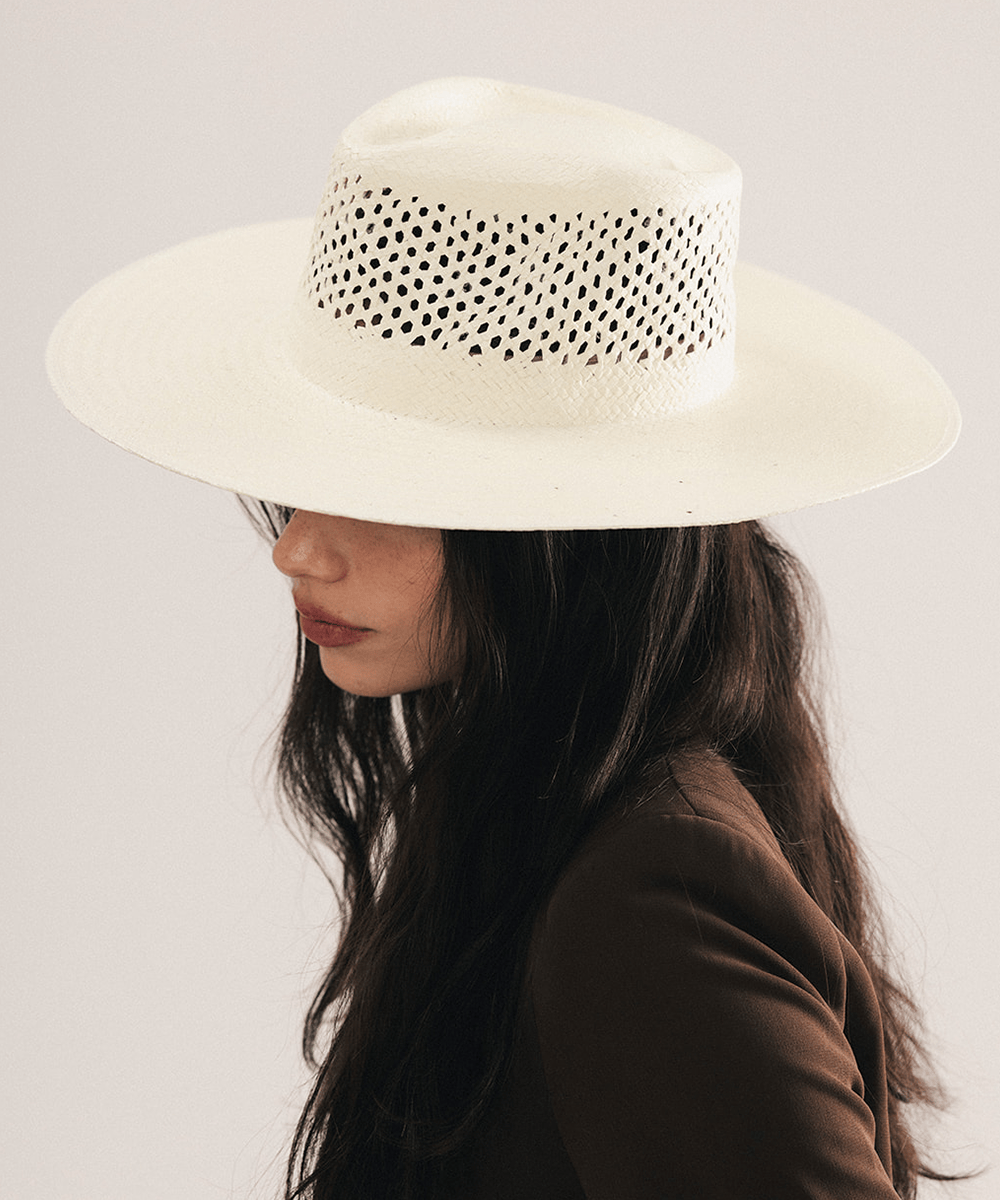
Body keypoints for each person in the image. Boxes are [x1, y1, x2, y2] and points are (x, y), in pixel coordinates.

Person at [48, 78, 966, 1199]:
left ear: (564, 539)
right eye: (300, 478)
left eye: (378, 485)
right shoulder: (543, 809)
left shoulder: (646, 895)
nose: (297, 550)